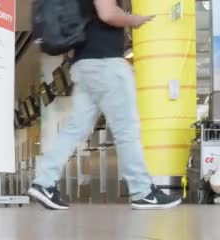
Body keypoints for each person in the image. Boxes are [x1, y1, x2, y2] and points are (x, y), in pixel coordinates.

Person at [28, 0, 182, 210]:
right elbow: (107, 13)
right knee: (127, 129)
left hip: (85, 63)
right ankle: (142, 191)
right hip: (105, 62)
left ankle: (44, 181)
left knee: (75, 128)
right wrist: (132, 20)